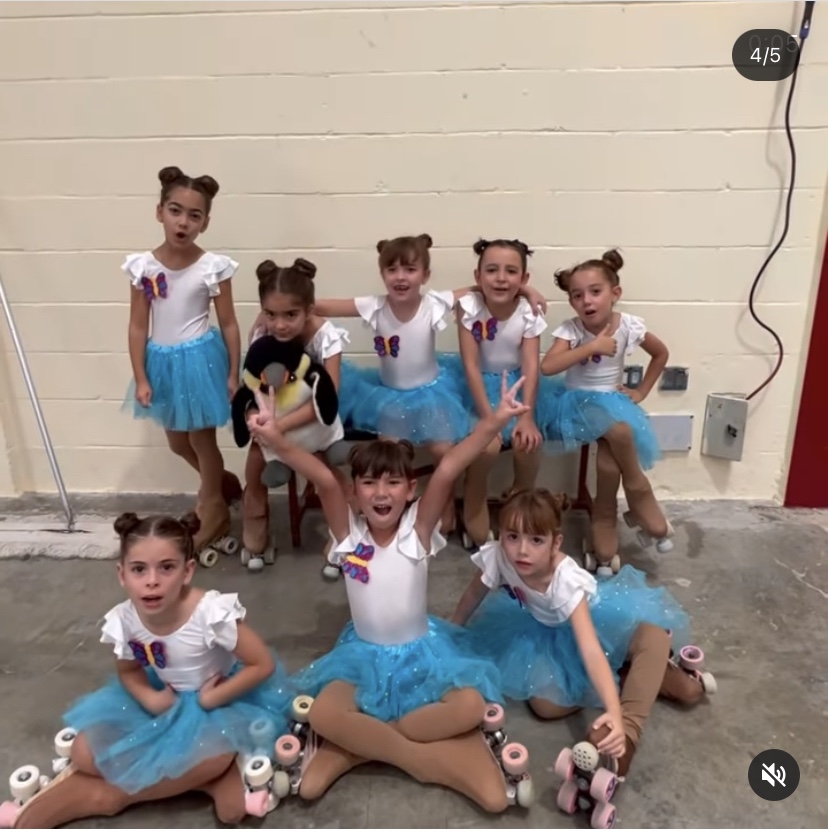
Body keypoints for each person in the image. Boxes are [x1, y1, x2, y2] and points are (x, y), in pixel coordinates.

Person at [248, 376, 536, 812]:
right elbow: (323, 478)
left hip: (422, 655)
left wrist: (494, 422)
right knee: (322, 713)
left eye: (393, 483)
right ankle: (419, 758)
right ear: (354, 492)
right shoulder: (348, 536)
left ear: (410, 490)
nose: (381, 493)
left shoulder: (416, 533)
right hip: (362, 657)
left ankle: (362, 743)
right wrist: (277, 441)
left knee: (470, 705)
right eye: (368, 483)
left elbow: (449, 468)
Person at [1, 512, 296, 829]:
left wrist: (211, 699)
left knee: (214, 755)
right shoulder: (125, 620)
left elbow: (261, 663)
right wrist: (149, 698)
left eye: (166, 568)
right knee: (83, 752)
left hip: (220, 698)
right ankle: (205, 782)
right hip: (167, 697)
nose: (151, 580)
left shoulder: (210, 613)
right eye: (139, 569)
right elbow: (129, 672)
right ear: (122, 574)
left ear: (187, 571)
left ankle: (115, 796)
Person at [451, 488, 712, 783]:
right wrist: (453, 632)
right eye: (512, 537)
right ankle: (632, 674)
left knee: (652, 636)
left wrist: (613, 712)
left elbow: (590, 648)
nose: (522, 550)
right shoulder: (499, 556)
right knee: (545, 705)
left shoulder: (566, 580)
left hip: (597, 627)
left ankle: (628, 729)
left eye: (536, 540)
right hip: (545, 632)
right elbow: (473, 594)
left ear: (555, 543)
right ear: (501, 536)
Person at [314, 233, 546, 537]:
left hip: (433, 394)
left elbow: (483, 286)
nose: (400, 277)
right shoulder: (374, 306)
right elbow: (321, 307)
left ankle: (444, 503)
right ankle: (389, 510)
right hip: (389, 397)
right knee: (389, 457)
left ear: (425, 275)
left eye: (410, 269)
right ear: (382, 274)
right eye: (392, 270)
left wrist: (527, 289)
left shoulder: (434, 304)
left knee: (445, 451)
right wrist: (273, 313)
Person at [122, 166, 243, 557]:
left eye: (194, 215)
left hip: (200, 361)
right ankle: (221, 482)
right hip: (163, 362)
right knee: (177, 442)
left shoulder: (212, 267)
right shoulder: (143, 267)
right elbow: (138, 325)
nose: (183, 222)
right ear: (159, 212)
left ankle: (213, 508)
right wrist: (141, 376)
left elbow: (229, 322)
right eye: (175, 211)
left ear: (205, 223)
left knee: (201, 440)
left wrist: (232, 372)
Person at [540, 249, 673, 574]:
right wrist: (590, 347)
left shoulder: (628, 325)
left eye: (595, 291)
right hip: (575, 406)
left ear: (615, 293)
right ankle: (639, 490)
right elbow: (548, 366)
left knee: (610, 462)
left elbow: (661, 354)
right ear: (572, 302)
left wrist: (641, 392)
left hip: (612, 403)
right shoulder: (572, 330)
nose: (586, 300)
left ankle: (605, 515)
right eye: (577, 295)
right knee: (621, 431)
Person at [241, 257, 351, 565]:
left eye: (290, 315)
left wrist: (281, 427)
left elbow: (328, 398)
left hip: (314, 414)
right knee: (254, 462)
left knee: (327, 469)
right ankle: (255, 511)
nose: (279, 325)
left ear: (309, 309)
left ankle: (344, 529)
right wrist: (255, 419)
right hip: (276, 409)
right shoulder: (263, 333)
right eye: (270, 314)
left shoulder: (326, 337)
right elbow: (253, 387)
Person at [454, 238, 561, 549]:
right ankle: (474, 496)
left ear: (523, 278)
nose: (501, 278)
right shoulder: (469, 307)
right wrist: (489, 419)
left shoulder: (529, 312)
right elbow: (471, 365)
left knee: (528, 442)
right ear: (478, 276)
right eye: (492, 270)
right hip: (477, 387)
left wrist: (526, 417)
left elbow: (531, 366)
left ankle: (521, 496)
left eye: (511, 271)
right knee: (485, 446)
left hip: (516, 386)